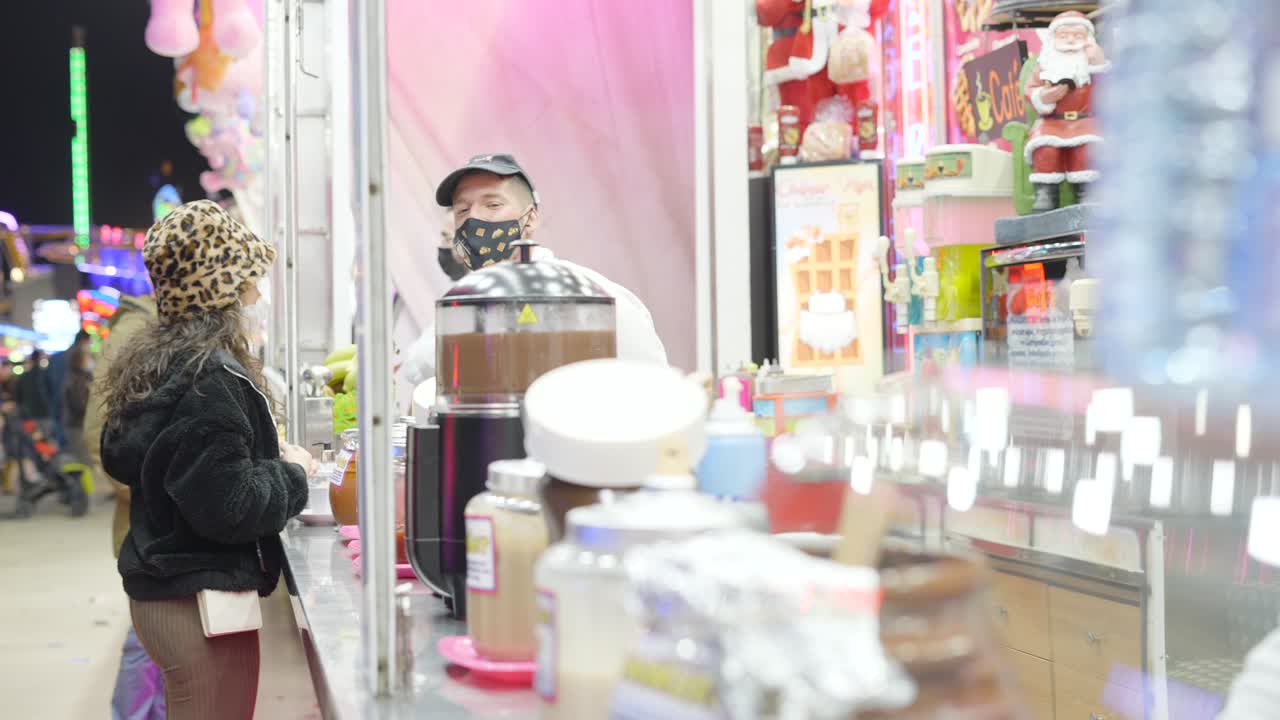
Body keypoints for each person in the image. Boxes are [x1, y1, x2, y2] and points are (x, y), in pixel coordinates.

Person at [98, 200, 312, 720]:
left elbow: (190, 473)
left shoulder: (164, 365)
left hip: (171, 595)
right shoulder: (209, 381)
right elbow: (230, 507)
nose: (256, 294)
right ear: (222, 290)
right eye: (248, 281)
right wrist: (293, 473)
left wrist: (260, 457)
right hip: (196, 601)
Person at [405, 154, 668, 387]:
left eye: (492, 205)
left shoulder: (590, 292)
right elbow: (418, 369)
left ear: (530, 219)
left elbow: (651, 383)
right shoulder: (462, 301)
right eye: (463, 210)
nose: (474, 218)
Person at [85, 292, 167, 720]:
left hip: (158, 520)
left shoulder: (162, 324)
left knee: (157, 639)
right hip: (149, 523)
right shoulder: (138, 327)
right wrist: (155, 492)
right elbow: (99, 429)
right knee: (149, 637)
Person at [1024, 11, 1109, 211]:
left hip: (1085, 121)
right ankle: (1046, 192)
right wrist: (1044, 96)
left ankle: (1086, 191)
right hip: (1052, 121)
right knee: (1046, 149)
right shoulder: (1044, 64)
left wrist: (1100, 65)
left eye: (1078, 36)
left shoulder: (1093, 64)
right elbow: (1030, 90)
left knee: (1086, 149)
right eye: (1064, 36)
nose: (1071, 40)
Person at [46, 330, 93, 446]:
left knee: (63, 443)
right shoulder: (80, 357)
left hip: (58, 406)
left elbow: (46, 383)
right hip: (75, 414)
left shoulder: (56, 357)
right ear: (84, 341)